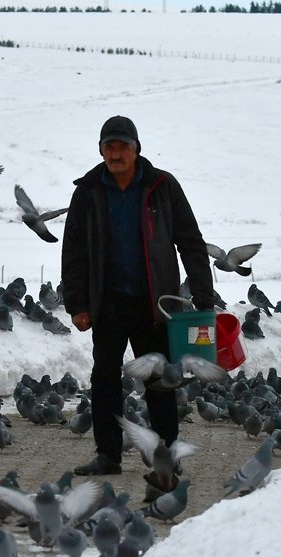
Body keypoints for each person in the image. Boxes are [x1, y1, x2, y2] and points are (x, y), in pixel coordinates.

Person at [61, 115, 215, 476]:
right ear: (101, 150)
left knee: (160, 379)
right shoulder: (88, 191)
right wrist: (78, 304)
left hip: (154, 303)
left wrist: (204, 296)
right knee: (105, 379)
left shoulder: (162, 186)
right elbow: (74, 252)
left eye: (122, 146)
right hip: (108, 302)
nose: (116, 153)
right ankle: (108, 456)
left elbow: (190, 241)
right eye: (109, 146)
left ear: (136, 149)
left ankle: (166, 455)